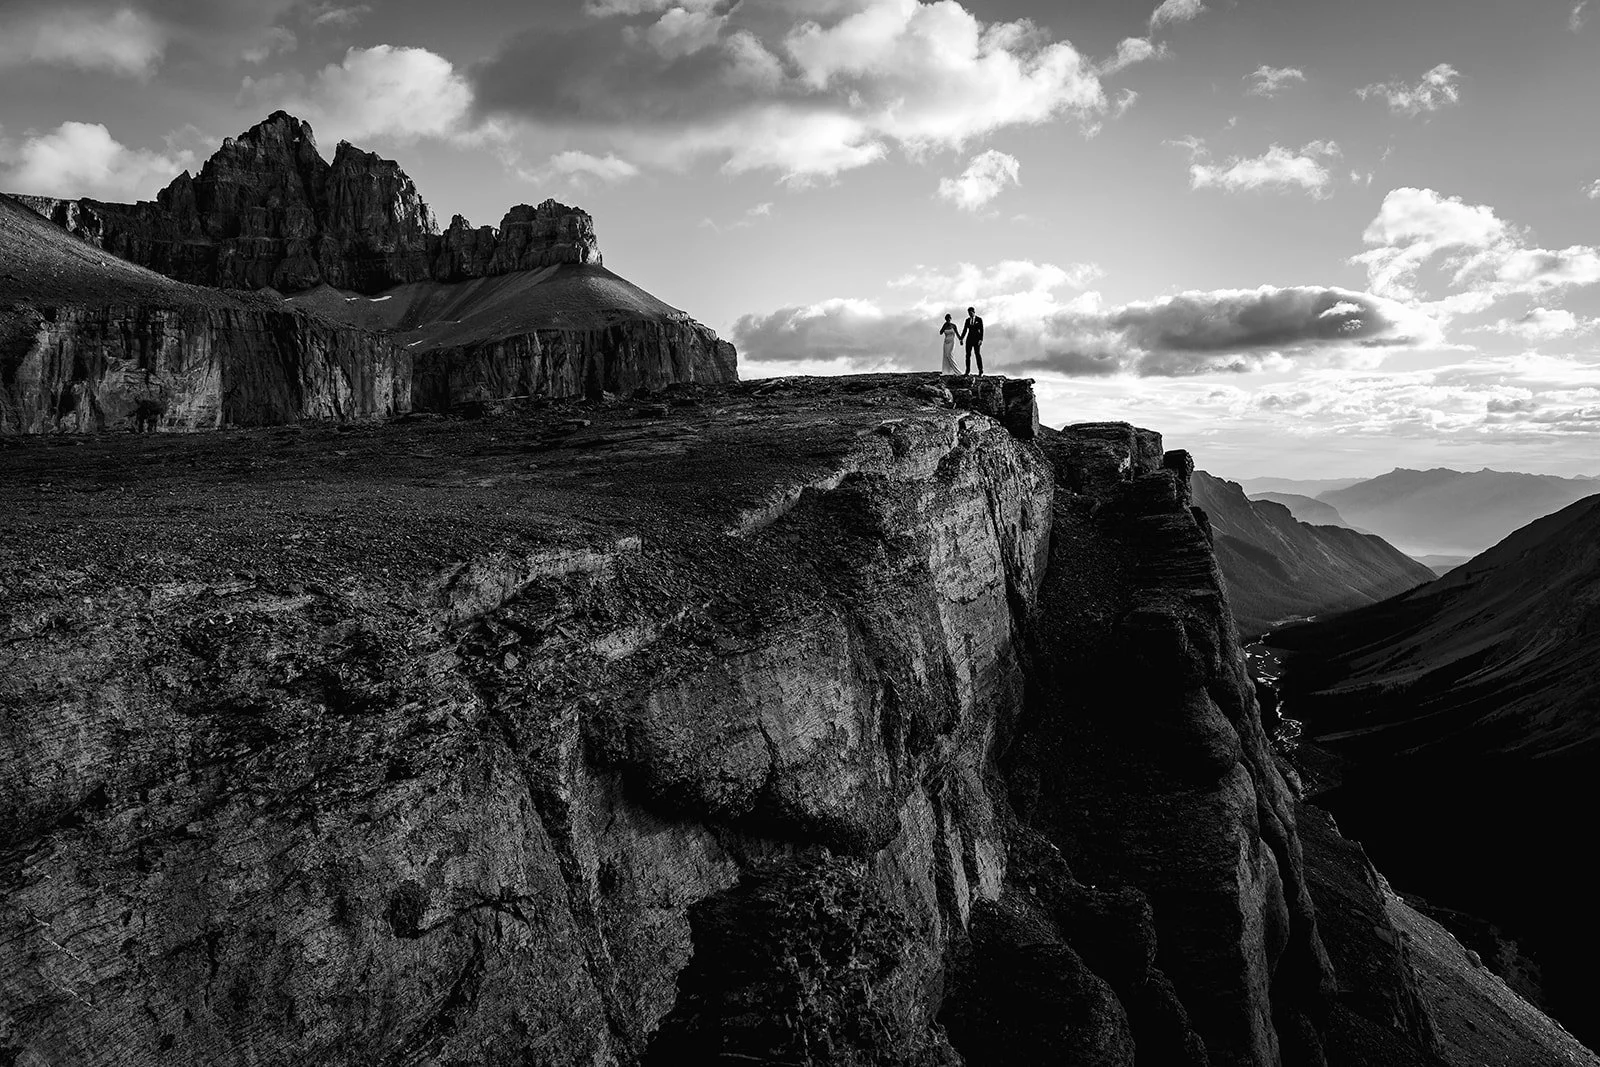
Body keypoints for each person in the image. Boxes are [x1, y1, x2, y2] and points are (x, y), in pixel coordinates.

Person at [959, 306, 984, 375]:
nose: (970, 314)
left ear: (974, 312)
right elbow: (965, 330)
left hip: (976, 340)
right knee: (967, 355)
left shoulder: (979, 319)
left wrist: (981, 339)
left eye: (971, 313)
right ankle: (967, 370)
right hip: (969, 339)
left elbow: (982, 330)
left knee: (977, 354)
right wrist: (961, 338)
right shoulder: (967, 320)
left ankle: (980, 370)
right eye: (968, 313)